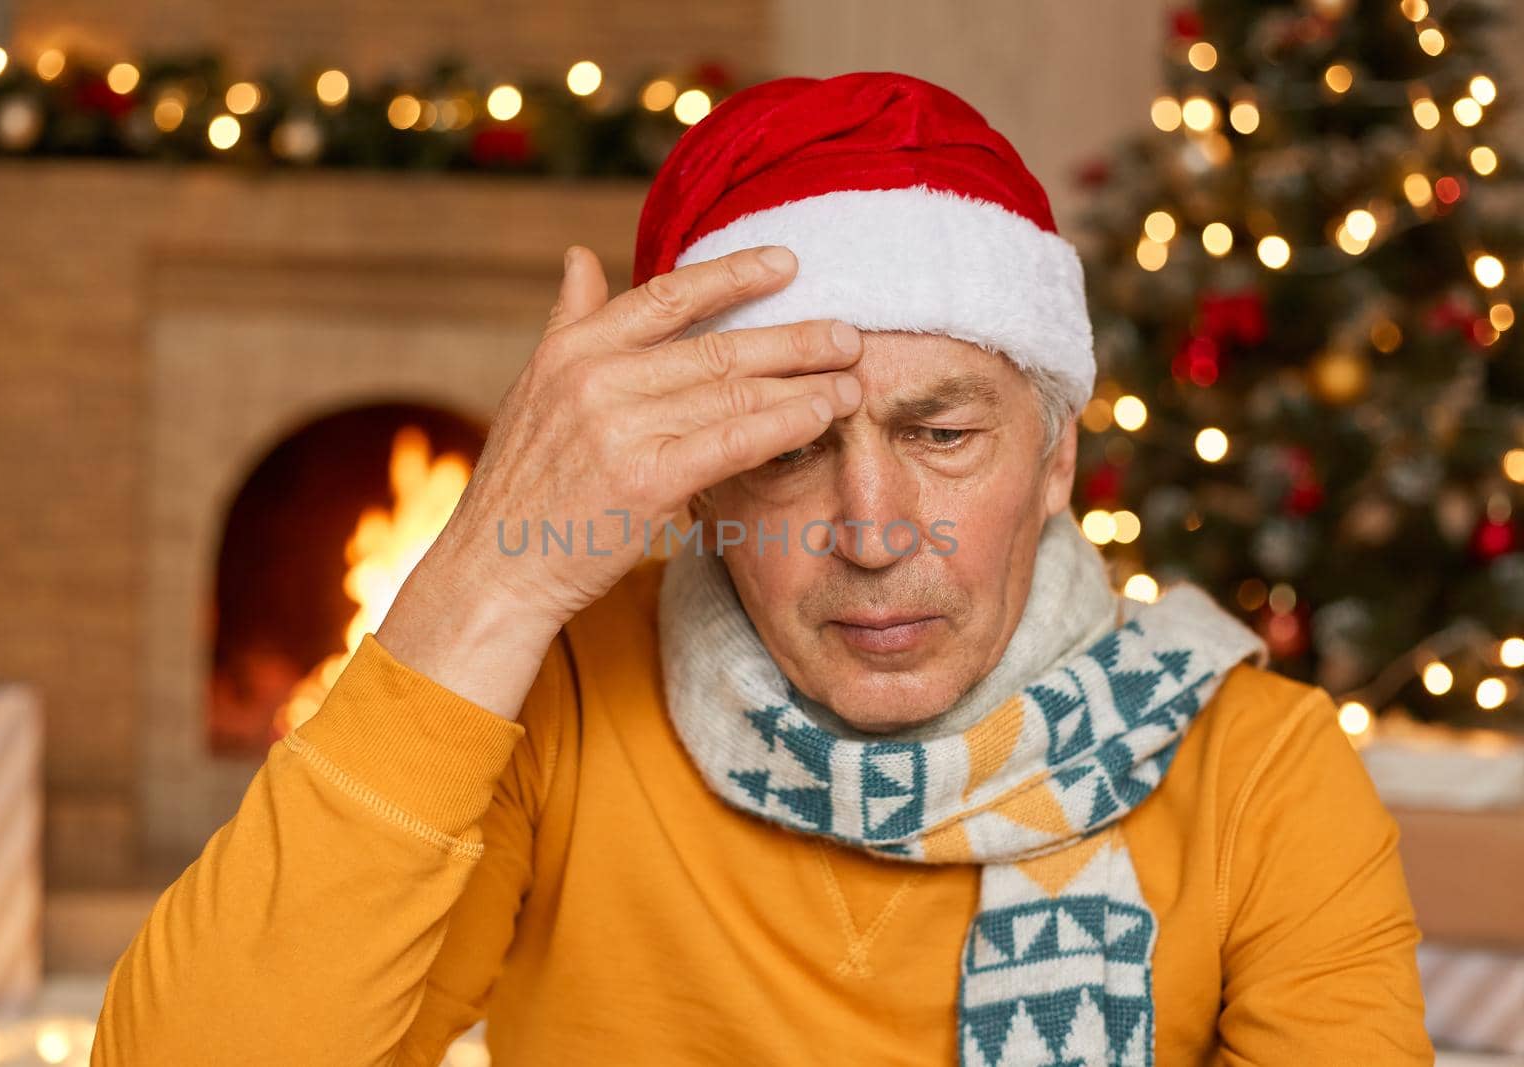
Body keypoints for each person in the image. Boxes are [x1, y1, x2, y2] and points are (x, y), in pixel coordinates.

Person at [93, 72, 1434, 1066]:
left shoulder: (1258, 772)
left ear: (1052, 459)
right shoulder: (560, 701)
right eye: (788, 451)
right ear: (701, 477)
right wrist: (488, 583)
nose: (870, 529)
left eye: (945, 433)